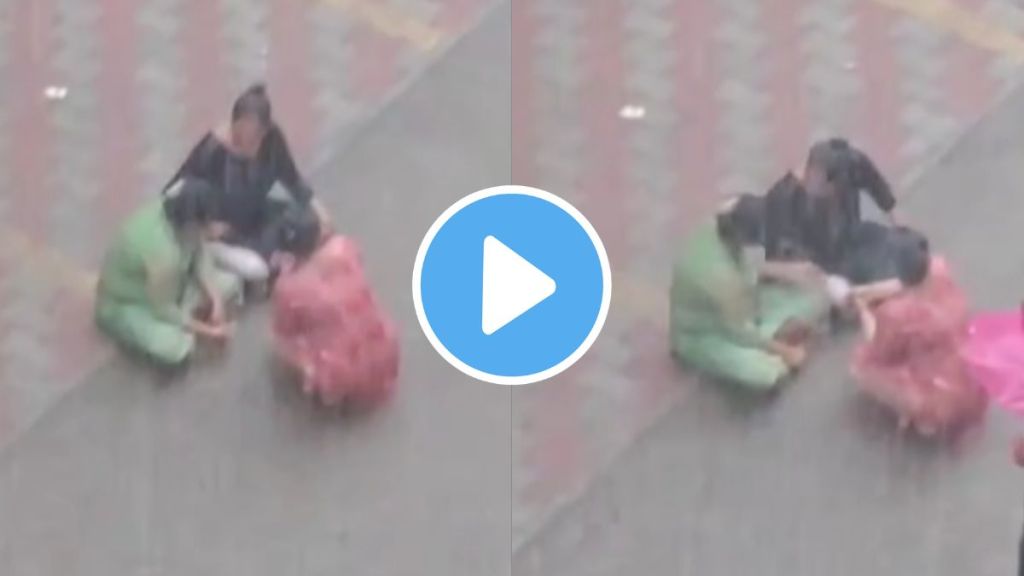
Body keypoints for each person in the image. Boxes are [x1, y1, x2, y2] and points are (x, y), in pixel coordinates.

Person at [165, 83, 330, 285]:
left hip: (258, 214)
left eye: (253, 140)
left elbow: (291, 178)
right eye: (239, 138)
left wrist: (319, 210)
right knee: (256, 268)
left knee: (306, 223)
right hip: (225, 231)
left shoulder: (273, 142)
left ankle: (277, 258)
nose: (245, 147)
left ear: (264, 133)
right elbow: (176, 194)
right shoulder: (212, 150)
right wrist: (206, 228)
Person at [670, 194, 829, 391]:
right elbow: (741, 333)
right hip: (706, 332)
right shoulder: (720, 279)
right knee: (768, 373)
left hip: (741, 302)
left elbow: (745, 270)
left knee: (813, 298)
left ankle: (776, 331)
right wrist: (786, 352)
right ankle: (774, 340)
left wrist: (788, 271)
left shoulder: (724, 221)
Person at [850, 232, 986, 437]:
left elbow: (880, 350)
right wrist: (866, 290)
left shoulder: (900, 314)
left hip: (940, 392)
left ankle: (925, 417)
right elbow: (909, 283)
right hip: (971, 374)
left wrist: (862, 309)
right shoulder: (940, 270)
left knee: (862, 367)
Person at [96, 179, 239, 366]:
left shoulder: (179, 216)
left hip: (171, 285)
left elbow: (200, 252)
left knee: (230, 282)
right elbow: (163, 309)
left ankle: (188, 314)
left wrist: (216, 300)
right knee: (177, 348)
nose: (221, 230)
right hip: (131, 303)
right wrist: (209, 332)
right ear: (196, 224)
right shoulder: (163, 254)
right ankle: (140, 330)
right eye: (215, 225)